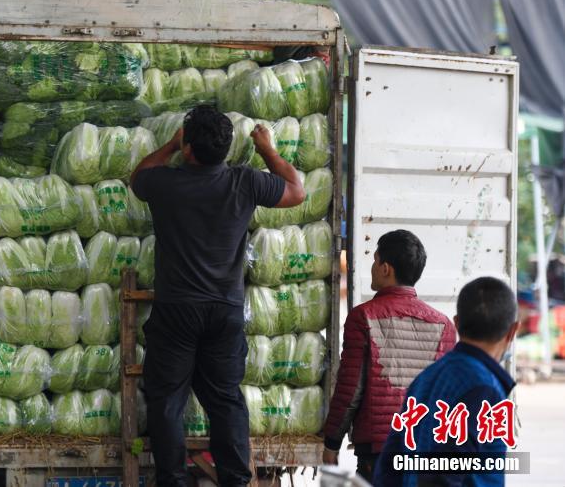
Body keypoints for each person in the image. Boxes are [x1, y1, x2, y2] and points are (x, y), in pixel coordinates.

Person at [130, 105, 305, 487]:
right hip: (224, 311)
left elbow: (137, 177)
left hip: (176, 310)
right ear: (226, 150)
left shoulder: (165, 182)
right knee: (225, 399)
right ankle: (236, 481)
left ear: (189, 148)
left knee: (167, 401)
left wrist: (171, 145)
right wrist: (267, 151)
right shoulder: (245, 181)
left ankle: (172, 480)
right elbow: (296, 191)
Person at [322, 230, 457, 481]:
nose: (372, 268)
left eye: (374, 261)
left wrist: (332, 441)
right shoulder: (445, 326)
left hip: (381, 450)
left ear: (386, 269)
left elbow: (351, 389)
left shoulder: (364, 317)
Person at [374, 277, 519, 486]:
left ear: (457, 323)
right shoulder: (483, 390)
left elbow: (389, 465)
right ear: (513, 331)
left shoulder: (426, 378)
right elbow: (443, 477)